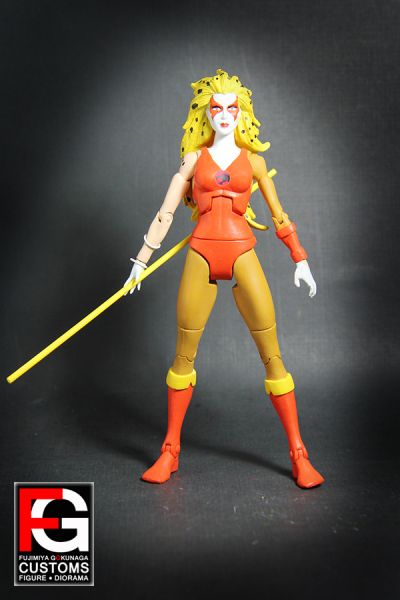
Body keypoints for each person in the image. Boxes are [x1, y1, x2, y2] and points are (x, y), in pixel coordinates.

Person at [125, 69, 324, 488]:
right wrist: (141, 259)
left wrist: (299, 257)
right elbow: (165, 212)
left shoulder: (254, 162)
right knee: (183, 357)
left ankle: (299, 453)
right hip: (201, 251)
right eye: (216, 107)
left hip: (241, 251)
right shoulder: (193, 161)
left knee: (272, 356)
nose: (224, 114)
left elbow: (279, 214)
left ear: (242, 113)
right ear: (205, 112)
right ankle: (170, 450)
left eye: (233, 108)